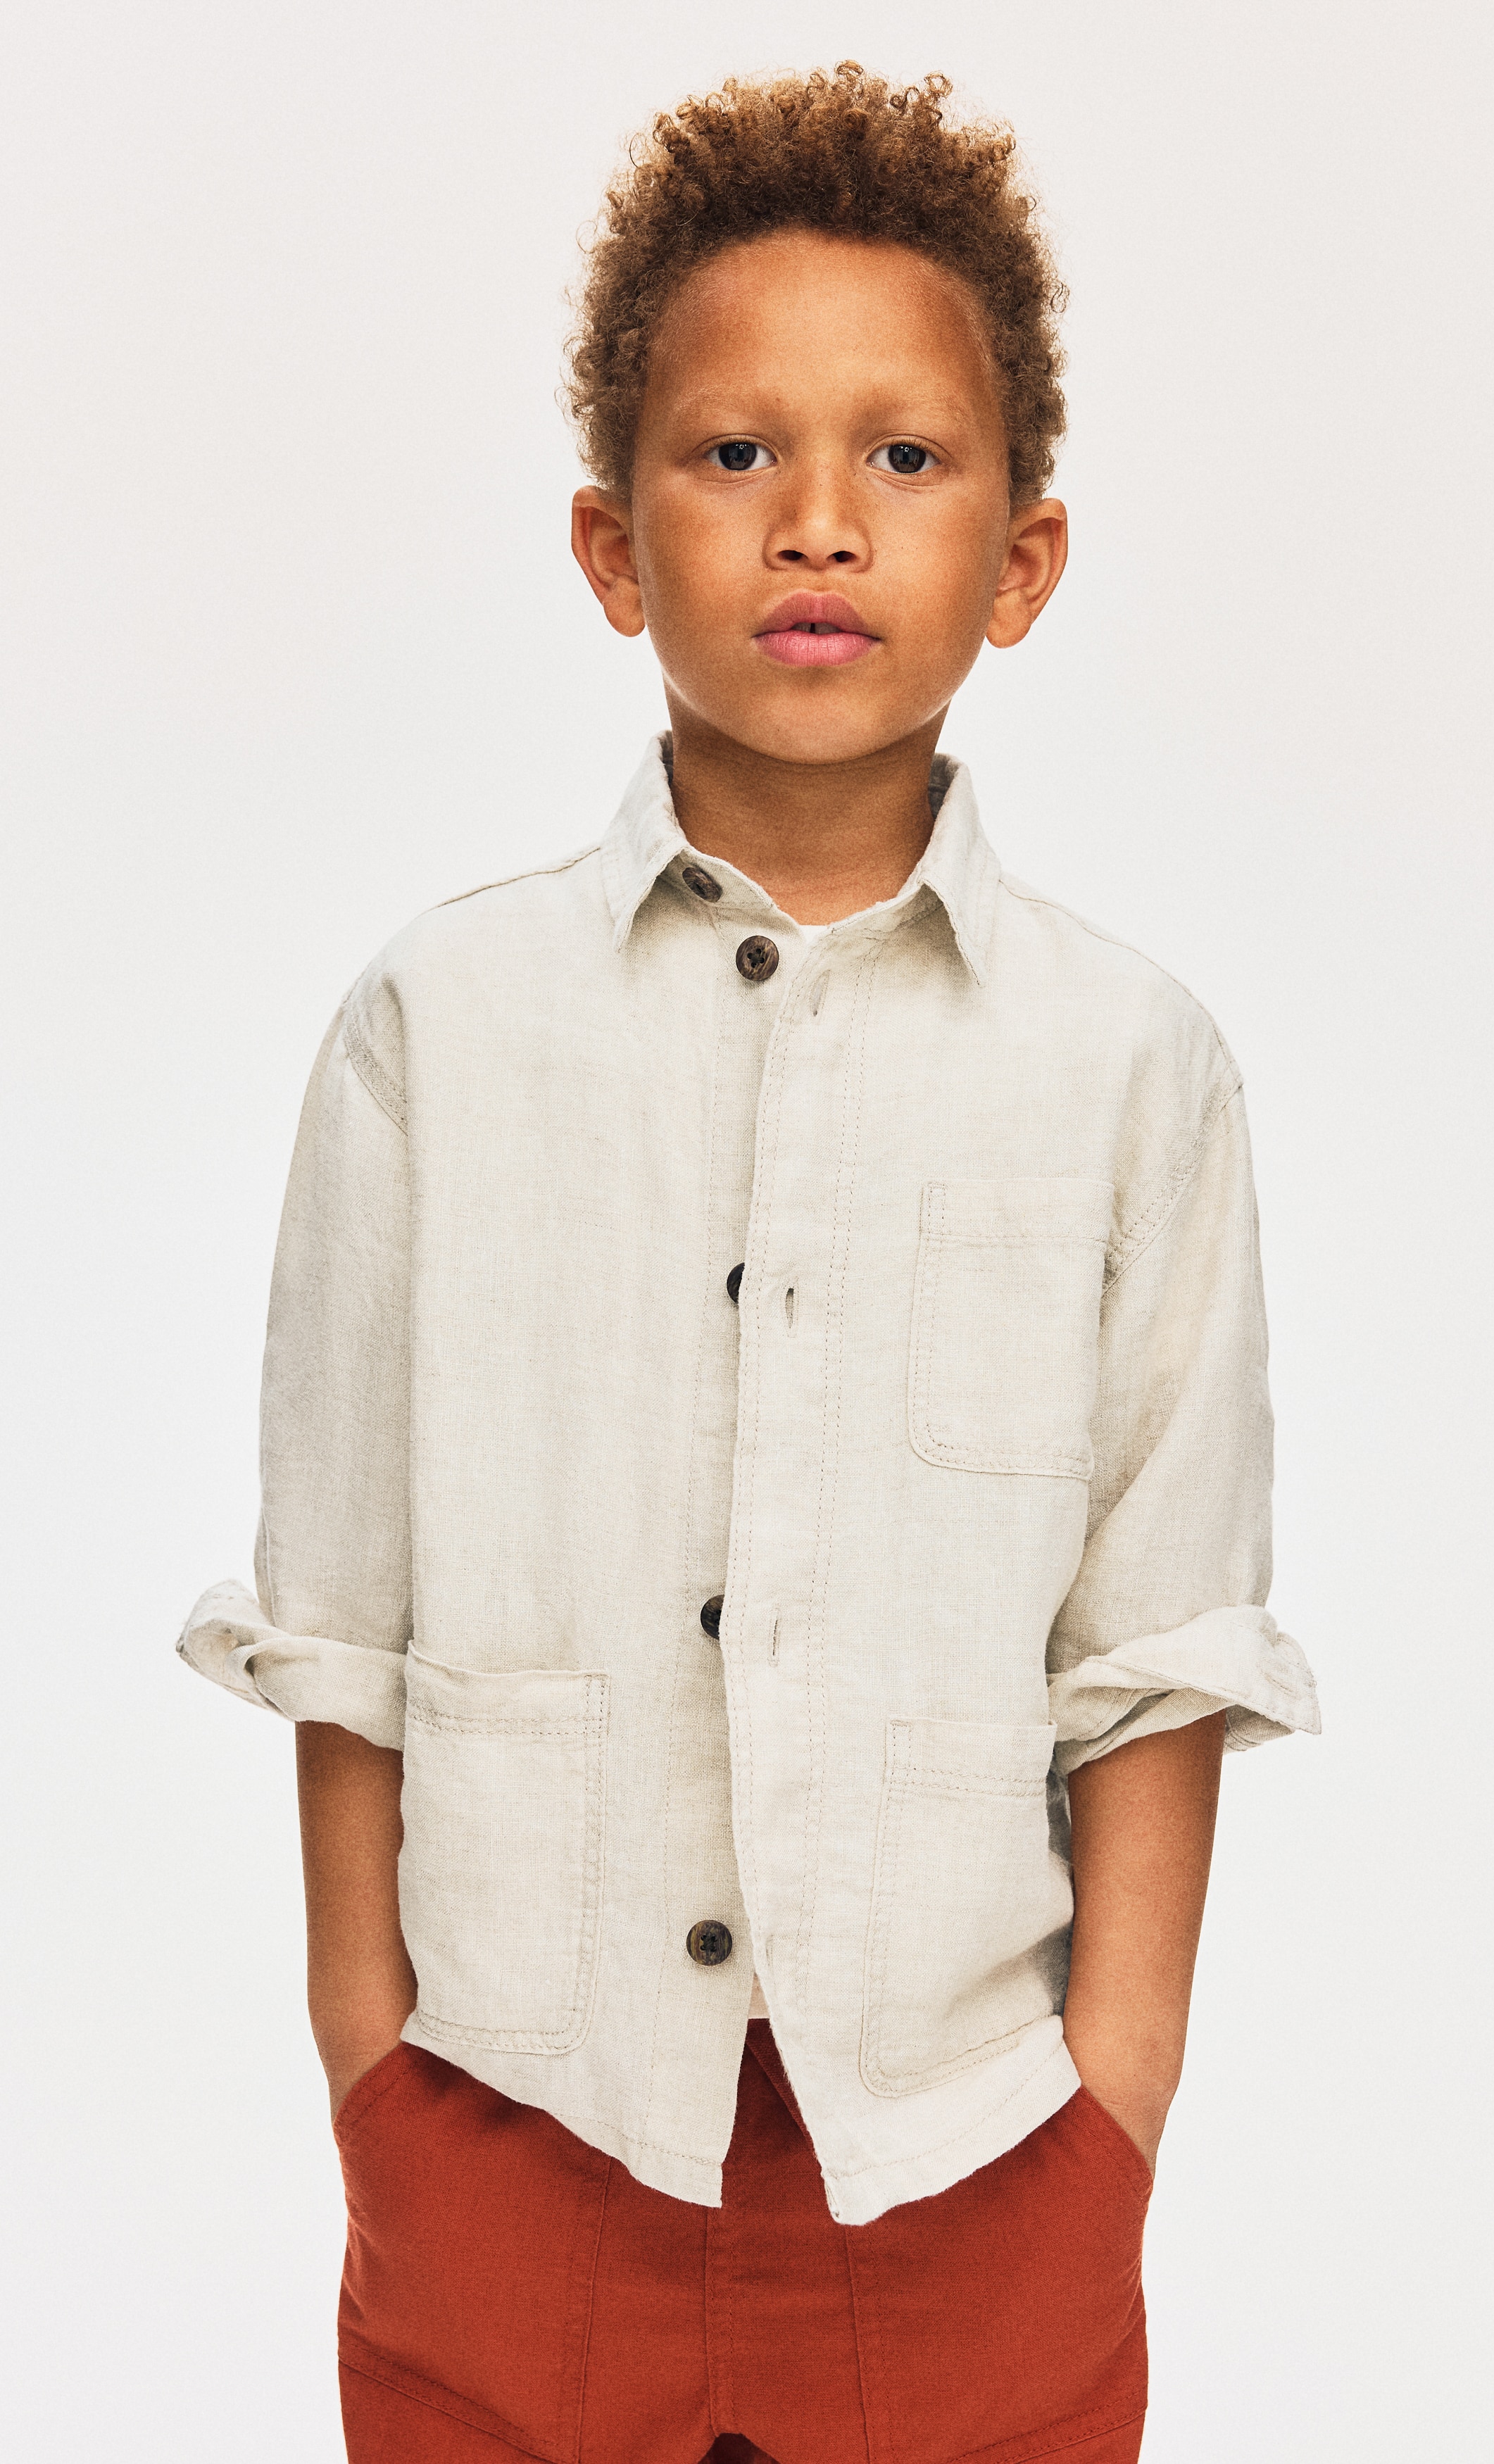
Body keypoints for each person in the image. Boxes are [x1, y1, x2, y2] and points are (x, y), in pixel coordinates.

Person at [178, 62, 1319, 2464]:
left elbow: (1158, 1644)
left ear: (1024, 559)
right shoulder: (438, 1027)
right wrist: (373, 2060)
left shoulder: (1131, 1065)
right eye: (733, 453)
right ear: (612, 547)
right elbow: (340, 1610)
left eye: (904, 454)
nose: (819, 519)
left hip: (969, 2164)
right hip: (514, 2130)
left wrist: (1112, 2110)